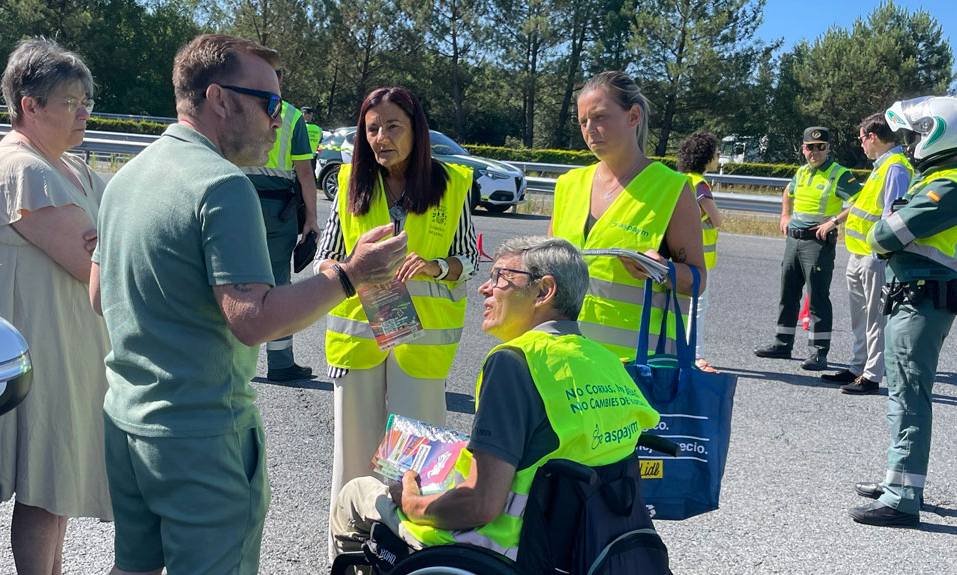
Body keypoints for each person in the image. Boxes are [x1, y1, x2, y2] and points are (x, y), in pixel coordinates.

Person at [88, 35, 407, 575]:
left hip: (128, 421)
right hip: (201, 437)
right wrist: (350, 275)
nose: (279, 121)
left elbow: (100, 296)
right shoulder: (222, 186)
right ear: (220, 98)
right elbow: (253, 320)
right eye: (271, 104)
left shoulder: (128, 177)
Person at [331, 236, 659, 562]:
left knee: (356, 494)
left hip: (502, 548)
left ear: (544, 291)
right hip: (581, 547)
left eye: (500, 278)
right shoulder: (607, 361)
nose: (483, 289)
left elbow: (479, 505)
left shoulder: (515, 362)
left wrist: (412, 503)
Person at [0, 38, 112, 575]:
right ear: (31, 104)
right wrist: (109, 244)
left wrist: (107, 242)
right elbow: (95, 262)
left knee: (59, 486)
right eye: (73, 101)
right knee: (46, 488)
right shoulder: (21, 170)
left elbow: (105, 244)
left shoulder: (62, 165)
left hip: (67, 350)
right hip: (42, 355)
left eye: (87, 101)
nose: (85, 112)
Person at [314, 86, 479, 553]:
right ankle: (347, 556)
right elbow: (324, 259)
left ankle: (411, 556)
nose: (380, 138)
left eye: (392, 127)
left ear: (416, 131)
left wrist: (436, 266)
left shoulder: (451, 183)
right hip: (360, 341)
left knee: (418, 466)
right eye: (371, 130)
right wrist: (348, 268)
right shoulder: (349, 183)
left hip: (421, 345)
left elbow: (469, 259)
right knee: (355, 460)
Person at [850, 96, 957, 528]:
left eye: (914, 134)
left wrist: (888, 224)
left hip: (922, 300)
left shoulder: (947, 184)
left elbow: (884, 234)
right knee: (902, 393)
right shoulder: (936, 178)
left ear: (937, 132)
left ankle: (902, 497)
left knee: (910, 394)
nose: (910, 142)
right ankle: (899, 482)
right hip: (911, 296)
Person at [549, 71, 705, 362]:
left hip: (637, 367)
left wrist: (663, 271)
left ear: (633, 116)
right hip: (567, 356)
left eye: (600, 117)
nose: (589, 129)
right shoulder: (568, 185)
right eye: (583, 121)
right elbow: (546, 269)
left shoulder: (671, 189)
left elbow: (698, 280)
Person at [754, 126, 861, 370]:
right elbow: (787, 192)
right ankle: (782, 344)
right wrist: (784, 215)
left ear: (828, 148)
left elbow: (859, 202)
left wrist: (834, 221)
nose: (815, 151)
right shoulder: (802, 172)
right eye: (810, 147)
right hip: (794, 240)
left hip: (817, 242)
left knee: (817, 297)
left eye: (820, 147)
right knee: (788, 294)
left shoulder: (839, 174)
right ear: (803, 149)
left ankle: (818, 353)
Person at [819, 113, 912, 394]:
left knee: (874, 319)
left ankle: (871, 375)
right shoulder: (881, 165)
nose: (861, 145)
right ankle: (857, 366)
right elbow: (862, 206)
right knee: (860, 318)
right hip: (858, 254)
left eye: (862, 139)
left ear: (873, 137)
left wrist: (879, 254)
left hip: (875, 258)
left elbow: (891, 215)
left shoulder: (895, 167)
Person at [241, 81, 320, 381]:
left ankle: (229, 359)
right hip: (278, 211)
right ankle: (280, 362)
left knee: (227, 279)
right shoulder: (290, 115)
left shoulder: (234, 105)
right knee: (278, 286)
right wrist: (310, 218)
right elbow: (304, 172)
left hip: (233, 202)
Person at [677, 131, 723, 372]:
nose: (717, 158)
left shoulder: (679, 179)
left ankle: (678, 351)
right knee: (698, 307)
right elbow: (716, 220)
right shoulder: (700, 184)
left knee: (680, 305)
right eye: (715, 154)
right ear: (705, 158)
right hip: (700, 257)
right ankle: (697, 355)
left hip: (679, 252)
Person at [302, 105, 322, 172]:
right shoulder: (319, 129)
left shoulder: (301, 127)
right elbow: (319, 142)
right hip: (312, 157)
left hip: (301, 156)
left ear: (303, 114)